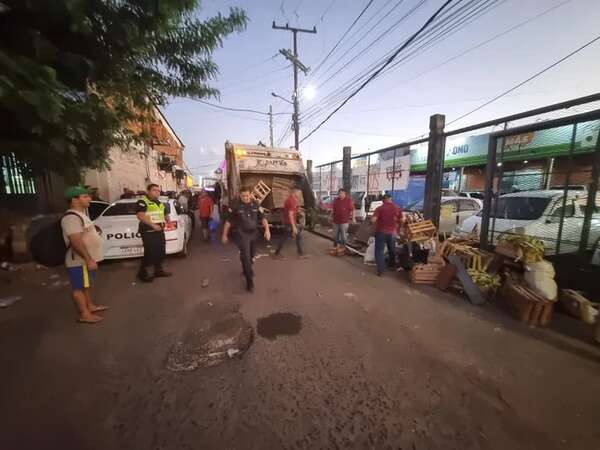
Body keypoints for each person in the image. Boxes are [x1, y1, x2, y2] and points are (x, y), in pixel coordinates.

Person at [61, 186, 108, 324]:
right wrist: (88, 259)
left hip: (86, 259)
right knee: (79, 287)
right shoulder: (71, 218)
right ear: (74, 199)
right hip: (79, 260)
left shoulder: (81, 214)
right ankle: (84, 314)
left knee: (85, 285)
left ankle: (90, 306)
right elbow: (75, 240)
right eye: (85, 196)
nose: (90, 199)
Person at [222, 186, 271, 292]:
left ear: (250, 195)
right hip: (242, 235)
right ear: (240, 196)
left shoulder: (256, 205)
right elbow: (228, 222)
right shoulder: (236, 207)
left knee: (251, 256)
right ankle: (250, 282)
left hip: (254, 234)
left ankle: (246, 264)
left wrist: (267, 230)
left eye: (247, 195)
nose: (246, 197)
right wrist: (224, 235)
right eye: (243, 196)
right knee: (247, 258)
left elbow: (263, 218)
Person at [135, 183, 172, 282]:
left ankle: (158, 270)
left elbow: (164, 214)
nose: (157, 192)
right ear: (148, 191)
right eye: (154, 190)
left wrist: (168, 221)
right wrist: (153, 225)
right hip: (148, 231)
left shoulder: (159, 202)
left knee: (160, 251)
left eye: (158, 190)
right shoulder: (143, 201)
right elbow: (140, 215)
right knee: (150, 253)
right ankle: (142, 273)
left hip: (159, 231)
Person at [371, 194, 402, 276]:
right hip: (392, 233)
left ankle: (380, 271)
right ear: (390, 199)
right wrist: (398, 228)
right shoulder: (397, 208)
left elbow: (373, 220)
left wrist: (374, 224)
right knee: (392, 249)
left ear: (383, 200)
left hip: (381, 232)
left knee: (379, 251)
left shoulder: (379, 209)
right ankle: (392, 266)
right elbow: (402, 219)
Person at [274, 186, 308, 259]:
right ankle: (300, 254)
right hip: (289, 223)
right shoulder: (291, 201)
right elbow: (290, 215)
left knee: (285, 238)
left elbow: (292, 210)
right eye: (299, 192)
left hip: (288, 222)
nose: (300, 193)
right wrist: (294, 227)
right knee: (297, 236)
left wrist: (298, 209)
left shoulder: (291, 200)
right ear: (295, 192)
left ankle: (276, 253)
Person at [331, 188, 354, 256]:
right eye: (339, 193)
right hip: (335, 221)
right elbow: (333, 209)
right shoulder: (336, 200)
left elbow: (353, 209)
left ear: (345, 194)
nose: (340, 195)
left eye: (342, 193)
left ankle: (343, 248)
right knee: (335, 236)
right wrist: (330, 216)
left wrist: (353, 218)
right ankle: (335, 247)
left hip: (344, 222)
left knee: (343, 236)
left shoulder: (348, 200)